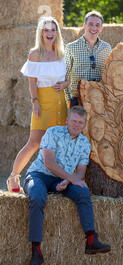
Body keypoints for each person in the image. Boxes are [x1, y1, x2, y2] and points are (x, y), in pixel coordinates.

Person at [23, 105, 111, 265]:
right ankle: (36, 250)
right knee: (37, 196)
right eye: (74, 121)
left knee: (83, 192)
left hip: (62, 180)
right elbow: (49, 163)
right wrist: (70, 177)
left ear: (85, 125)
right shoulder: (53, 132)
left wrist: (69, 181)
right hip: (39, 174)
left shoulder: (84, 143)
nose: (76, 125)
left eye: (80, 122)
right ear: (67, 121)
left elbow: (81, 173)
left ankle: (91, 240)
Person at [7, 17, 69, 193]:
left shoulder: (62, 54)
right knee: (34, 142)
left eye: (53, 30)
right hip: (43, 103)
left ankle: (53, 179)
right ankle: (13, 176)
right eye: (46, 30)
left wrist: (64, 85)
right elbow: (32, 82)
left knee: (57, 144)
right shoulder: (35, 54)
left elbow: (67, 80)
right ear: (41, 33)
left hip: (60, 104)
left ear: (57, 33)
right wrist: (35, 102)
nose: (50, 33)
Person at [65, 11, 111, 107]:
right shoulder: (71, 47)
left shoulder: (106, 48)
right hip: (77, 100)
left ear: (101, 28)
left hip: (99, 101)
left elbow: (109, 75)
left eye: (97, 25)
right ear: (84, 26)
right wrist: (69, 101)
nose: (94, 28)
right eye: (90, 24)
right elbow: (65, 76)